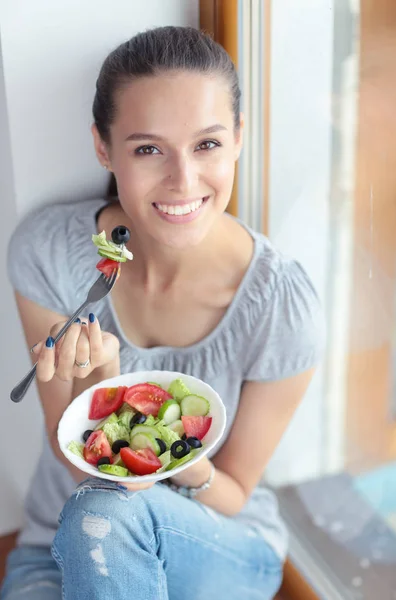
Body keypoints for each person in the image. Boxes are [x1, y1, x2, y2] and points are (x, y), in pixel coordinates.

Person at [0, 26, 324, 600]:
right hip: (60, 544)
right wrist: (103, 387)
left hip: (218, 544)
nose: (183, 180)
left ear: (239, 138)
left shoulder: (282, 307)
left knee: (108, 515)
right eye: (148, 148)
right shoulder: (47, 253)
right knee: (97, 520)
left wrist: (176, 458)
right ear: (104, 147)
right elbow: (80, 470)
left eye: (207, 145)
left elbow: (233, 493)